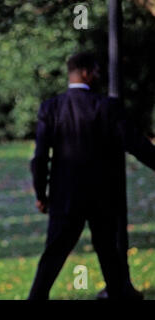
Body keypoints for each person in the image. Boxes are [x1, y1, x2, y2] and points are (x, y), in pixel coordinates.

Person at [28, 52, 155, 300]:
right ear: (86, 72)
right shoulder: (107, 107)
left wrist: (41, 194)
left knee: (53, 254)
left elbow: (40, 157)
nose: (98, 75)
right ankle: (119, 294)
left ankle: (36, 298)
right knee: (109, 252)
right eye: (96, 71)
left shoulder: (51, 108)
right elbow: (136, 144)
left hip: (65, 196)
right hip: (103, 196)